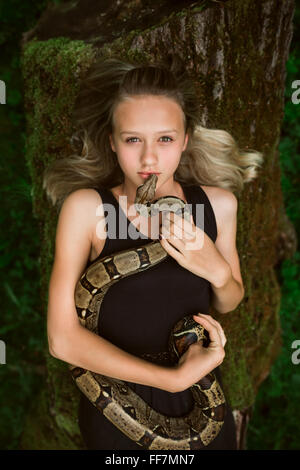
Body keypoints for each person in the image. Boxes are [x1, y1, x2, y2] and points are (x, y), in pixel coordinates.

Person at [44, 56, 263, 450]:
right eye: (133, 139)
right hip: (115, 407)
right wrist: (173, 379)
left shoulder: (218, 205)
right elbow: (62, 340)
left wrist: (218, 271)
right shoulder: (87, 209)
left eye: (164, 139)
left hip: (203, 399)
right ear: (112, 142)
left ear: (185, 140)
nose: (149, 159)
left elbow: (230, 300)